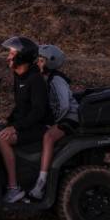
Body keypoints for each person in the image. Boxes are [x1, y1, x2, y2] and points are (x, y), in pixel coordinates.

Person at [0, 36, 51, 203]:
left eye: (12, 54)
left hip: (38, 126)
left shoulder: (35, 80)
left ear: (21, 57)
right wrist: (8, 122)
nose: (8, 57)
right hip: (26, 123)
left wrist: (15, 128)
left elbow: (38, 112)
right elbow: (20, 107)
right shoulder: (19, 76)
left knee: (3, 140)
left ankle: (14, 189)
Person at [28, 44, 80, 200]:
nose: (38, 63)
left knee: (48, 137)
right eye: (37, 60)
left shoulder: (56, 80)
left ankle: (41, 183)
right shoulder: (47, 77)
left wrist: (54, 123)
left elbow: (64, 105)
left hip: (70, 117)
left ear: (50, 62)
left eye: (41, 60)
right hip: (61, 116)